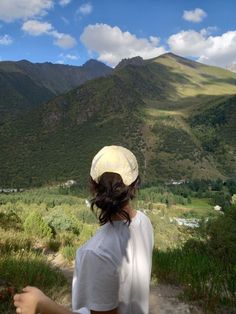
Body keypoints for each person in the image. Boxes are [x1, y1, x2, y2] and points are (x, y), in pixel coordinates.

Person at [14, 145, 154, 314]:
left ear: (93, 185)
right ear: (135, 184)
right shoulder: (144, 223)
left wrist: (42, 304)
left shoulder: (96, 252)